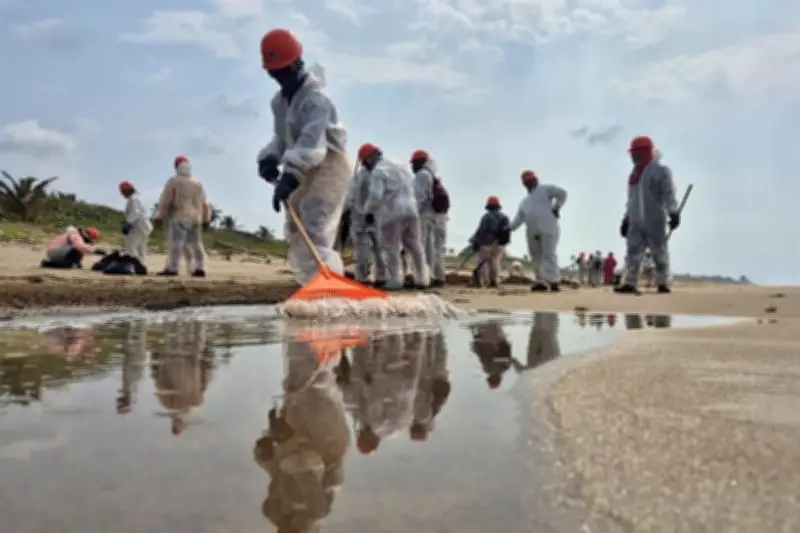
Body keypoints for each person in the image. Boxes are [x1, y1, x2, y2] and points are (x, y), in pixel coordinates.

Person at [256, 28, 351, 286]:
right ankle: (311, 284)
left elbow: (314, 144)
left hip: (329, 163)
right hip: (302, 162)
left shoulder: (316, 100)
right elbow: (282, 138)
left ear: (298, 64)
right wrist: (269, 157)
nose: (281, 77)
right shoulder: (279, 102)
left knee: (315, 222)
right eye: (275, 73)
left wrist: (291, 175)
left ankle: (328, 286)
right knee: (296, 227)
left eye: (285, 71)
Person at [357, 142, 430, 290]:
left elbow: (376, 195)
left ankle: (395, 280)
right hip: (411, 209)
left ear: (369, 159)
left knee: (391, 247)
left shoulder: (378, 171)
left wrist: (368, 212)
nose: (366, 167)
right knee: (415, 245)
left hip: (393, 212)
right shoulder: (400, 165)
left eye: (365, 163)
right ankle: (422, 279)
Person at [615, 136, 680, 294]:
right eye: (633, 154)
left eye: (637, 153)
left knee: (659, 252)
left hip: (655, 219)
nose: (634, 157)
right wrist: (626, 218)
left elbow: (668, 194)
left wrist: (673, 212)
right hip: (635, 220)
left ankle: (663, 282)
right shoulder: (633, 175)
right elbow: (631, 200)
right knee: (632, 253)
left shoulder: (660, 171)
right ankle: (630, 282)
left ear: (646, 152)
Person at [509, 170, 568, 292]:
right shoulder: (525, 202)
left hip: (548, 226)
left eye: (531, 180)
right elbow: (518, 218)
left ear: (536, 180)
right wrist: (509, 228)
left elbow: (562, 193)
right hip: (531, 230)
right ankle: (540, 281)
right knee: (536, 256)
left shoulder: (546, 189)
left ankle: (553, 281)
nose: (530, 183)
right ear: (524, 184)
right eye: (527, 182)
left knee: (549, 254)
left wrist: (557, 207)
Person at [154, 155, 210, 277]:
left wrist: (160, 216)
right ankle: (200, 267)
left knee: (176, 244)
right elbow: (205, 204)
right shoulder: (198, 184)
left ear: (176, 167)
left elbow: (166, 200)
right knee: (196, 244)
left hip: (179, 216)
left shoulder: (173, 181)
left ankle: (173, 268)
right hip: (196, 218)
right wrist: (206, 220)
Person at [410, 150, 448, 287]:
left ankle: (426, 278)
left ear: (420, 162)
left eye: (413, 163)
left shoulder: (422, 175)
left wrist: (414, 215)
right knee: (435, 249)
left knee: (425, 248)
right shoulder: (432, 175)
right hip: (437, 218)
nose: (412, 167)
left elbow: (421, 198)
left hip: (425, 216)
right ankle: (437, 277)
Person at [347, 165, 386, 286]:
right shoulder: (377, 175)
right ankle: (382, 276)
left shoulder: (359, 177)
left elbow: (351, 198)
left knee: (362, 247)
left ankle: (363, 276)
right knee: (378, 247)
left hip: (361, 217)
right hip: (375, 216)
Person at [468, 195, 510, 288]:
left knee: (484, 263)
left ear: (489, 206)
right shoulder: (504, 217)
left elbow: (481, 230)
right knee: (495, 261)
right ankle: (495, 280)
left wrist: (475, 241)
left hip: (486, 243)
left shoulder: (486, 217)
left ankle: (485, 281)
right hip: (499, 244)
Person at [118, 181, 152, 264]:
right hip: (145, 226)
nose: (122, 194)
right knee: (141, 248)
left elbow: (135, 213)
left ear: (127, 190)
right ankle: (141, 266)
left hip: (138, 226)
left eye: (122, 192)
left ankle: (132, 265)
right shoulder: (137, 198)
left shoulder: (133, 199)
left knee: (131, 247)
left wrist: (128, 224)